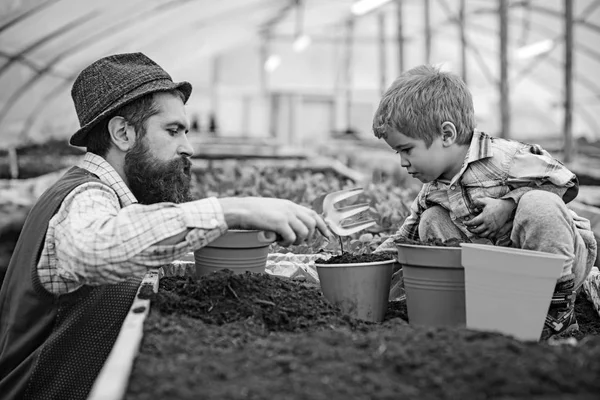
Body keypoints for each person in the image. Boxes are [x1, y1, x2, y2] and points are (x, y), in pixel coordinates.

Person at [0, 52, 331, 400]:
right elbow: (97, 247)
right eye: (172, 131)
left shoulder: (111, 195)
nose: (187, 147)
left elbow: (138, 236)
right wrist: (232, 209)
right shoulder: (86, 196)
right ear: (123, 133)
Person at [372, 64, 597, 340]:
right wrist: (364, 264)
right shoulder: (432, 189)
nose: (402, 162)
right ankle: (465, 309)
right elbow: (402, 241)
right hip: (501, 277)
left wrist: (510, 204)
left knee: (539, 203)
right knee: (431, 220)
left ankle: (558, 315)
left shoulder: (504, 157)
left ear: (447, 134)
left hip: (562, 262)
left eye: (407, 149)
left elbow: (566, 182)